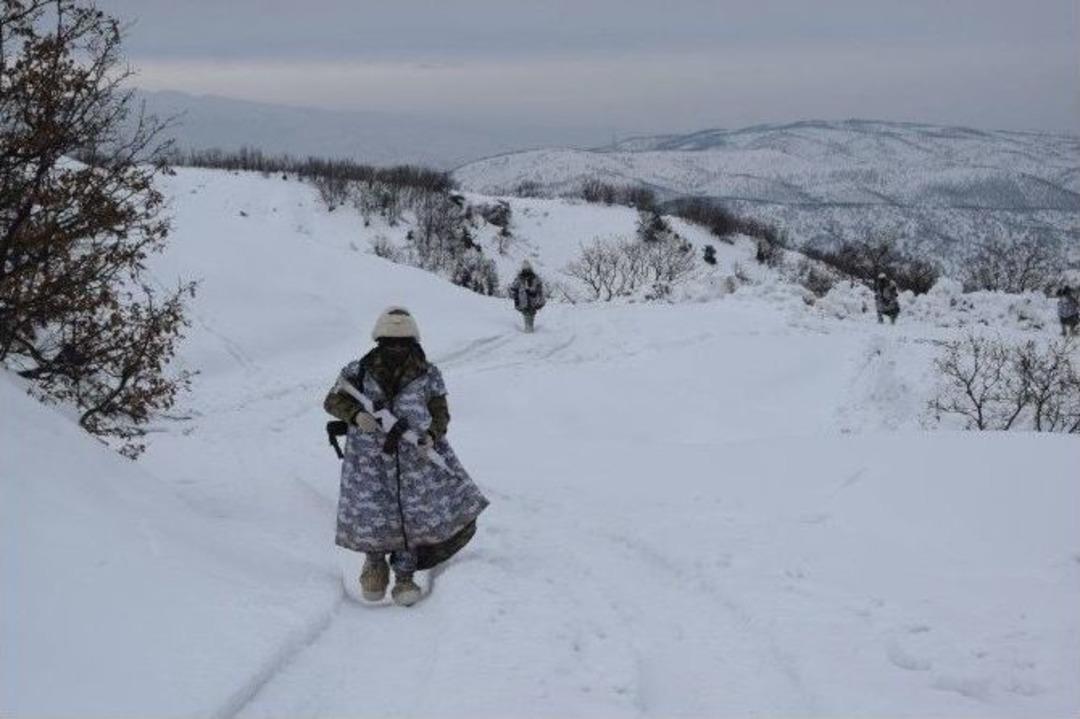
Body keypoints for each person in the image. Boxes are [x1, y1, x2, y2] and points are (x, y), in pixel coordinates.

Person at [323, 307, 488, 606]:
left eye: (402, 342)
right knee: (373, 512)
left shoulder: (428, 373)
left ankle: (405, 576)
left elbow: (440, 411)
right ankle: (374, 565)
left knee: (413, 515)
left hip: (415, 461)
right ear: (379, 340)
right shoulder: (358, 371)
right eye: (389, 341)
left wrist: (433, 436)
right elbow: (333, 399)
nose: (396, 348)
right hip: (368, 462)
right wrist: (356, 414)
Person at [508, 260, 546, 333]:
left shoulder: (535, 278)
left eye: (527, 269)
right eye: (525, 269)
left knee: (530, 315)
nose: (526, 271)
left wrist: (531, 291)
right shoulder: (520, 278)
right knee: (527, 315)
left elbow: (538, 289)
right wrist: (516, 298)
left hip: (532, 301)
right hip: (524, 301)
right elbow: (513, 287)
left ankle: (529, 331)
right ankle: (528, 331)